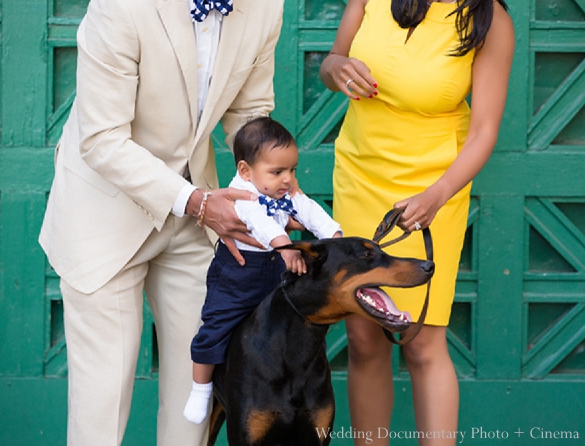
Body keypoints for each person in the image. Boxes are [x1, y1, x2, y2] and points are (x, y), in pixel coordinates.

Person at [38, 0, 285, 444]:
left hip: (196, 217)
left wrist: (275, 182)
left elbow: (250, 113)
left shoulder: (267, 6)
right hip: (105, 212)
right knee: (102, 400)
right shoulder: (120, 6)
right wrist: (196, 202)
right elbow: (101, 139)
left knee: (196, 395)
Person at [320, 0, 514, 444]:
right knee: (363, 335)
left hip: (434, 183)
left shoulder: (490, 19)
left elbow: (485, 130)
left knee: (421, 339)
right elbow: (330, 62)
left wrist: (438, 195)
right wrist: (338, 70)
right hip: (360, 170)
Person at [183, 116, 342, 424]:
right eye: (278, 171)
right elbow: (261, 222)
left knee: (297, 323)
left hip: (273, 275)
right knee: (216, 327)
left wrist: (333, 236)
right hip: (238, 275)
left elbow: (308, 209)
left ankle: (306, 382)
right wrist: (285, 246)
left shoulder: (282, 190)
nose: (288, 179)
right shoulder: (241, 193)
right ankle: (200, 389)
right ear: (245, 170)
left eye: (292, 170)